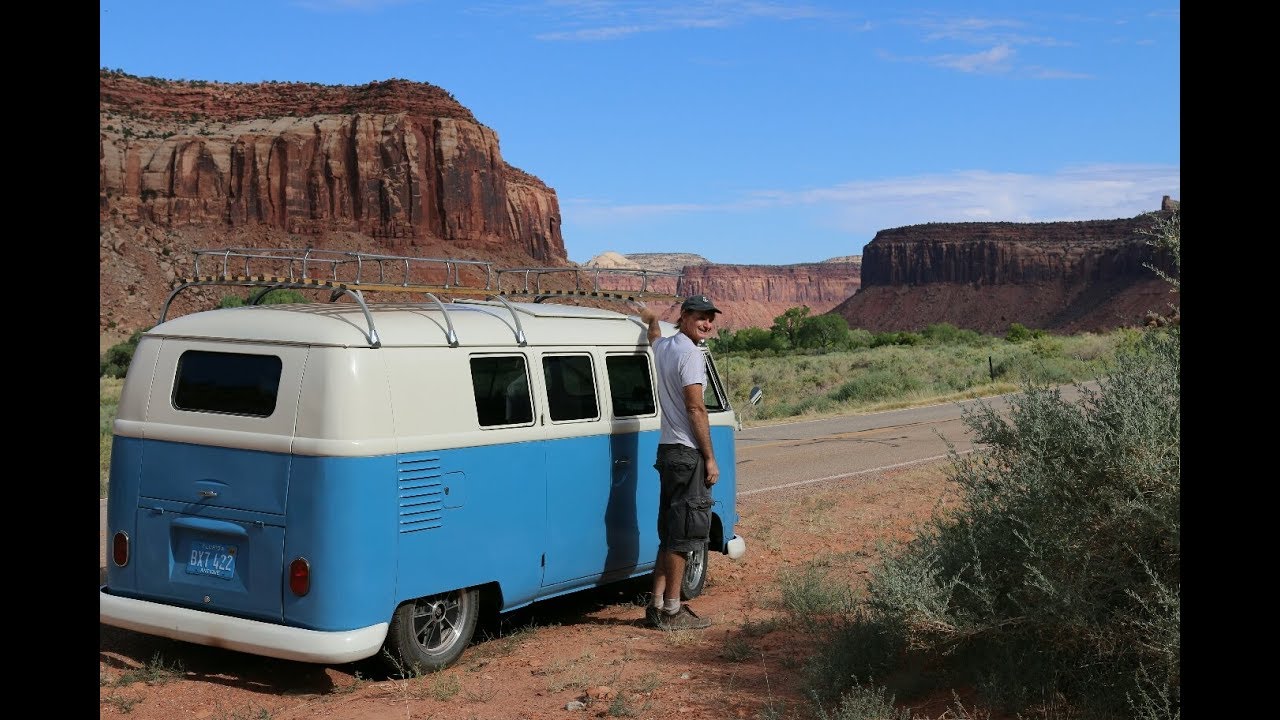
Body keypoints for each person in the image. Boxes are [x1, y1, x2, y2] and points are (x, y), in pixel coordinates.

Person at [638, 294, 722, 630]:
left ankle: (657, 606)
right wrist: (710, 458)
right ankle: (672, 611)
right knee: (685, 535)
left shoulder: (665, 347)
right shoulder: (690, 354)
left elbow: (654, 338)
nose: (707, 324)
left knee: (670, 531)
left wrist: (651, 321)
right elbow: (695, 408)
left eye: (710, 318)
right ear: (685, 316)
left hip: (667, 451)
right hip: (687, 453)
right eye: (701, 317)